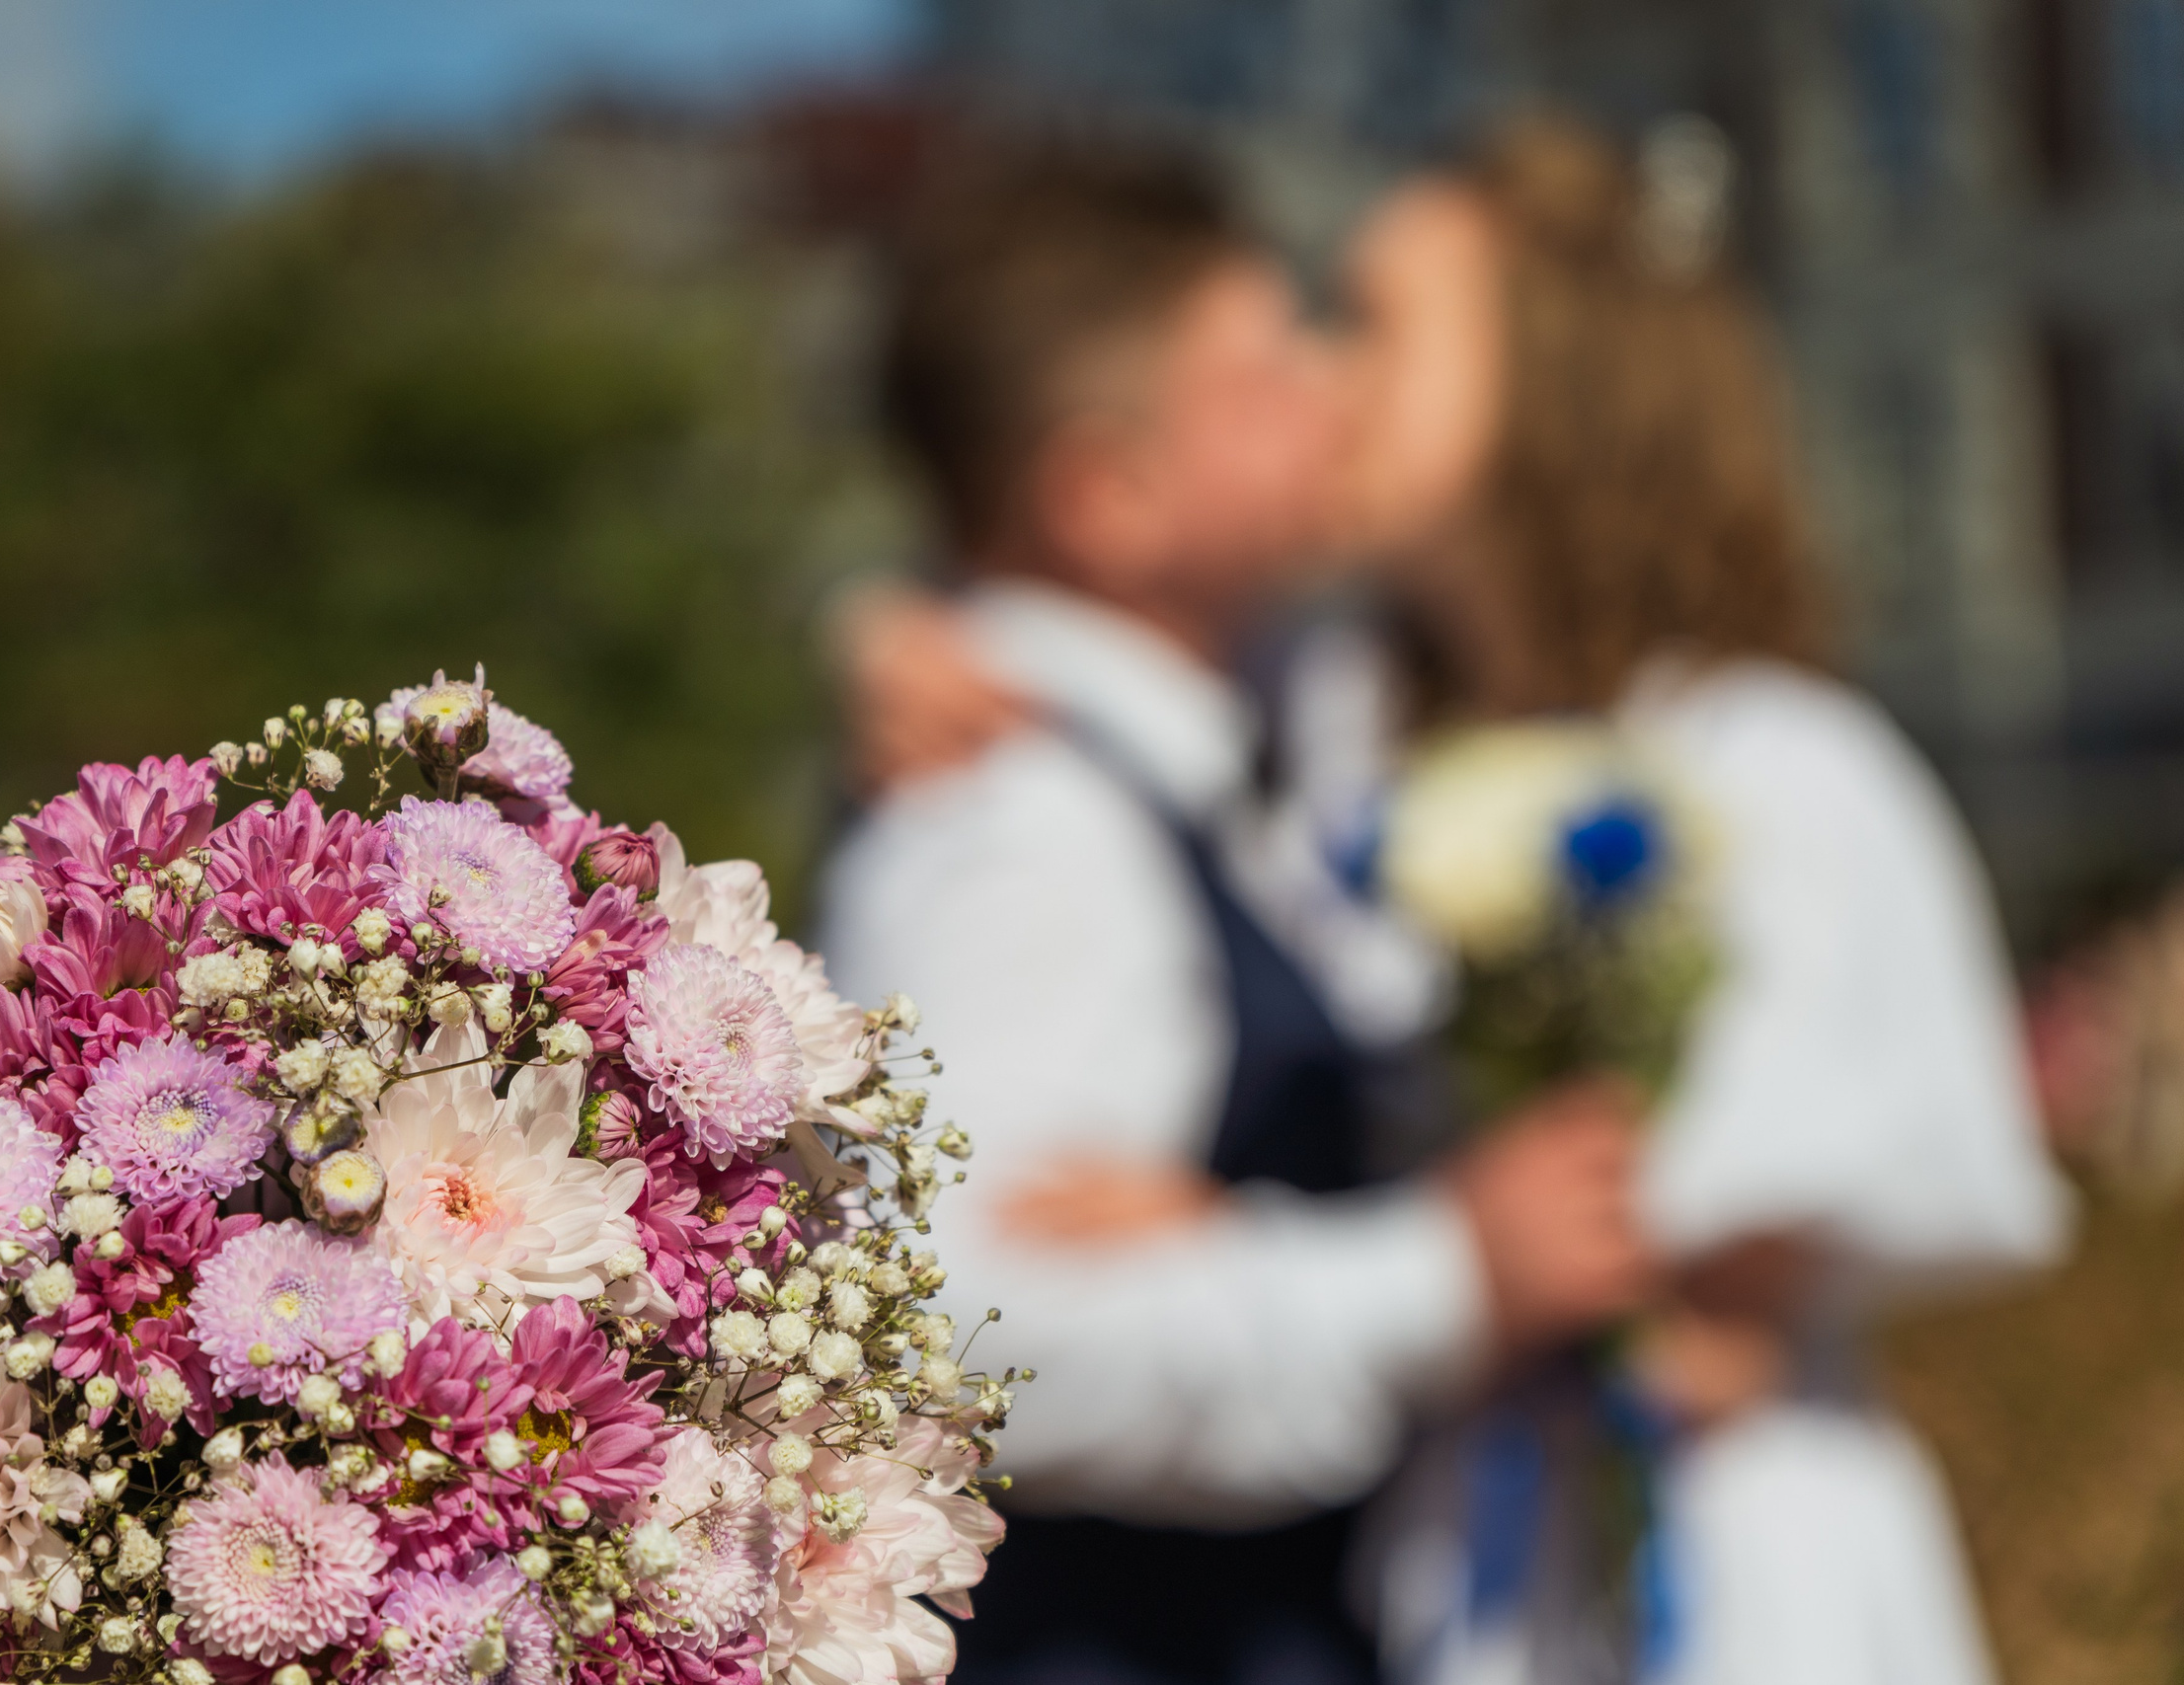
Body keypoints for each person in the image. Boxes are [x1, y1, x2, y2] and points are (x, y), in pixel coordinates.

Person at [840, 118, 2071, 1685]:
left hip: (1708, 1582)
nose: (1327, 380)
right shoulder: (1347, 726)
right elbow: (1080, 640)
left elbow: (1682, 1291)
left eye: (1376, 329)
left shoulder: (1758, 760)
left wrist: (1243, 1233)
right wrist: (892, 631)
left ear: (1557, 386)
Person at [816, 131, 1654, 1685]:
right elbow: (960, 1337)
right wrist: (1443, 1274)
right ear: (1110, 492)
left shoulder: (1242, 733)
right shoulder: (1019, 821)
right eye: (1267, 370)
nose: (1332, 392)